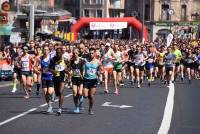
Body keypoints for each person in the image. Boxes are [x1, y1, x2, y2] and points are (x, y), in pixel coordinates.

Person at [83, 48, 103, 115]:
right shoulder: (86, 60)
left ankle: (90, 109)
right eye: (90, 53)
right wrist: (81, 74)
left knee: (91, 96)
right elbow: (80, 67)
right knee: (85, 95)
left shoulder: (98, 61)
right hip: (86, 79)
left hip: (93, 80)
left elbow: (102, 69)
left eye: (92, 53)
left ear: (95, 54)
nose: (91, 54)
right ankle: (86, 96)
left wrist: (100, 72)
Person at [49, 47, 68, 115]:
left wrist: (67, 71)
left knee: (61, 92)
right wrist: (53, 71)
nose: (58, 54)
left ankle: (60, 108)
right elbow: (49, 68)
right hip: (55, 78)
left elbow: (69, 67)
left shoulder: (65, 60)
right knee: (57, 93)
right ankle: (55, 94)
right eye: (57, 52)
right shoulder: (53, 59)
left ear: (61, 53)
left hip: (62, 78)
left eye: (59, 52)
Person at [69, 48, 84, 113]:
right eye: (74, 53)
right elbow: (68, 68)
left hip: (81, 79)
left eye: (76, 53)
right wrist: (70, 72)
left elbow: (86, 66)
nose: (75, 54)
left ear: (78, 53)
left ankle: (81, 100)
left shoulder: (81, 60)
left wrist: (83, 74)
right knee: (75, 93)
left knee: (80, 93)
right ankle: (76, 107)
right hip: (74, 79)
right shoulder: (71, 61)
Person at [41, 45, 55, 113]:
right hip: (44, 78)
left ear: (49, 51)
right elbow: (35, 66)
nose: (45, 51)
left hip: (50, 77)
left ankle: (53, 93)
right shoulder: (40, 58)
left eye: (47, 50)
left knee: (49, 92)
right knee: (45, 93)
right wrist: (37, 70)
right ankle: (49, 106)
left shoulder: (51, 59)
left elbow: (56, 67)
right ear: (43, 50)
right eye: (44, 50)